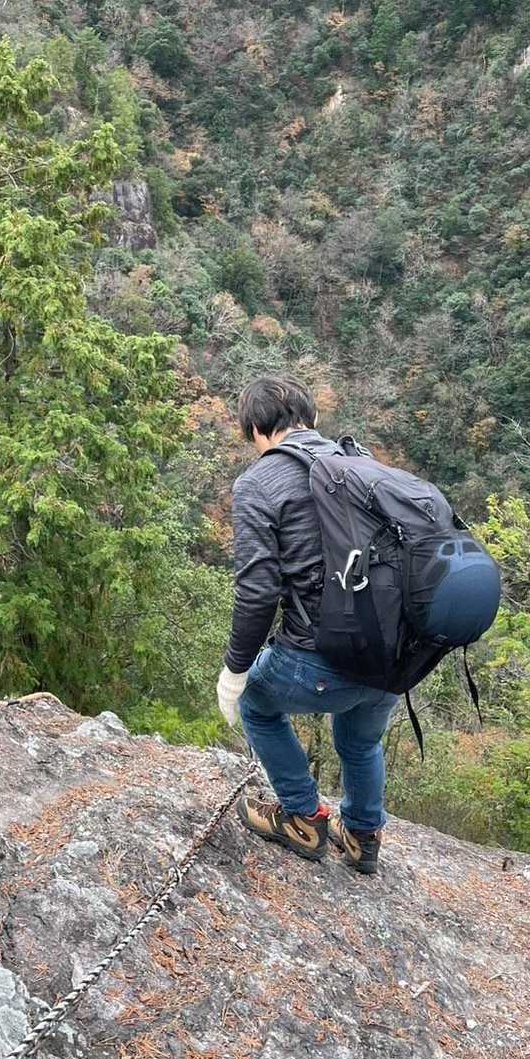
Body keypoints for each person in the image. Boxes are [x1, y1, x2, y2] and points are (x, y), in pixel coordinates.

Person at [216, 374, 398, 875]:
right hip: (393, 655)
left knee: (255, 701)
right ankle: (362, 835)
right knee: (361, 740)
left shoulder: (258, 483)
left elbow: (257, 592)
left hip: (322, 660)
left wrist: (235, 672)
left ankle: (302, 816)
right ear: (312, 419)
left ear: (255, 430)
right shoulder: (363, 465)